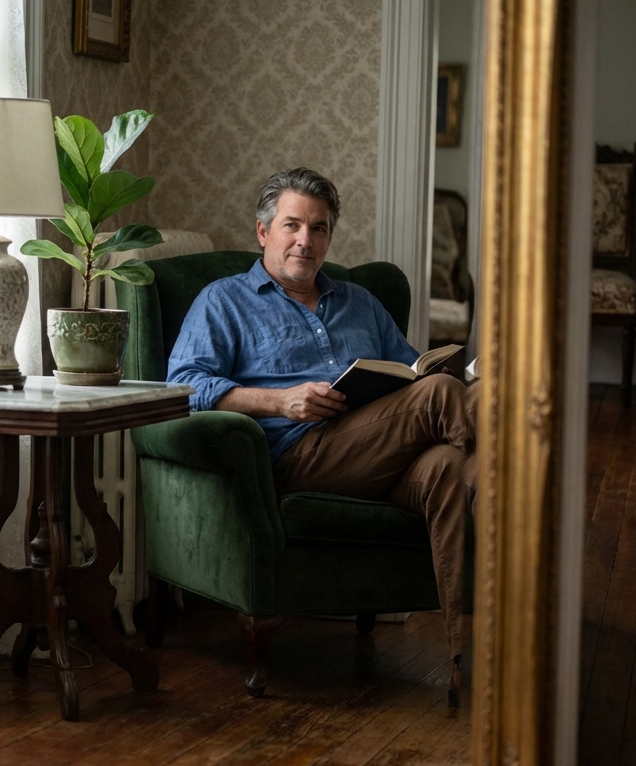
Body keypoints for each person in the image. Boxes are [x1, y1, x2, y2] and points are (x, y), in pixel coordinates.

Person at [166, 167, 475, 697]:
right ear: (263, 231)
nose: (305, 241)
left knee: (448, 466)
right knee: (444, 398)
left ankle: (461, 656)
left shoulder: (361, 302)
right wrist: (280, 401)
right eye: (292, 225)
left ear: (330, 236)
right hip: (300, 455)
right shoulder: (224, 300)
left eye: (319, 228)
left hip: (383, 454)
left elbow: (416, 374)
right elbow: (185, 384)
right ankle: (516, 485)